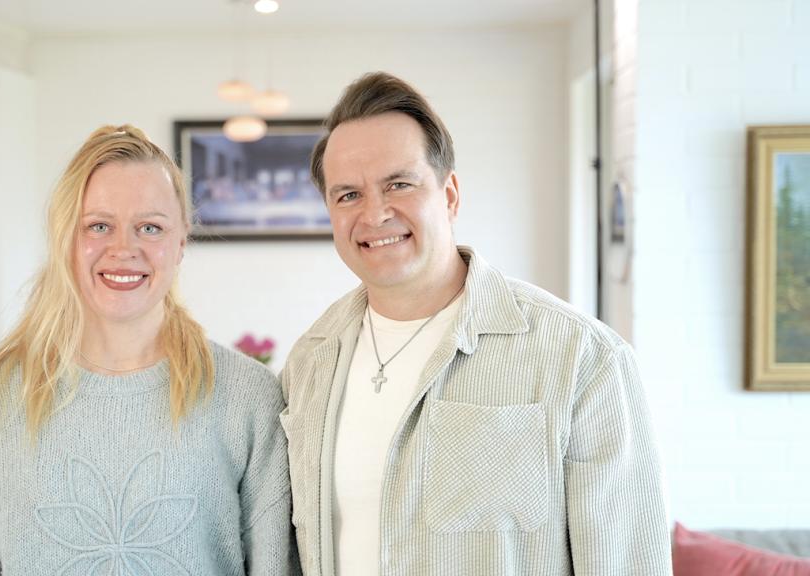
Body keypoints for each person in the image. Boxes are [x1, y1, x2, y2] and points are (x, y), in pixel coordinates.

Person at [280, 72, 671, 575]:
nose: (374, 214)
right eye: (348, 195)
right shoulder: (310, 361)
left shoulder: (582, 357)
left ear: (449, 196)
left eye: (398, 184)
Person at [0, 125, 296, 575]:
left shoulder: (247, 397)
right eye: (99, 226)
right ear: (65, 239)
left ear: (180, 243)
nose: (124, 249)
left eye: (150, 228)